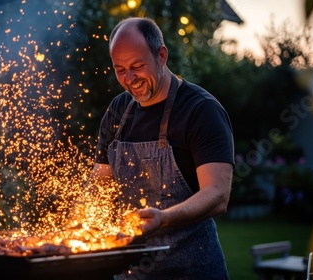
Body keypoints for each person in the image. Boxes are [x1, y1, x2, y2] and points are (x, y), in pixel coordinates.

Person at [89, 17, 234, 279]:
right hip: (130, 271)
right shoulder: (117, 112)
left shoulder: (201, 110)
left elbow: (218, 195)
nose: (129, 78)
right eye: (119, 69)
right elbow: (98, 186)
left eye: (137, 66)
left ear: (162, 55)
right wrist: (82, 223)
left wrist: (164, 218)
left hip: (191, 268)